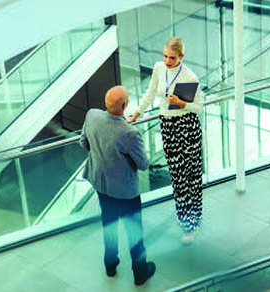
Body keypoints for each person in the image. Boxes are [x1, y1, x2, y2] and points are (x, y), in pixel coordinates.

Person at [128, 37, 203, 243]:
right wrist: (136, 113)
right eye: (165, 56)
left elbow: (198, 107)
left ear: (181, 57)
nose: (167, 61)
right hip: (168, 126)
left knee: (191, 175)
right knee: (177, 176)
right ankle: (185, 217)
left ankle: (193, 223)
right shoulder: (159, 68)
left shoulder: (189, 76)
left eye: (172, 57)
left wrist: (181, 102)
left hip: (187, 126)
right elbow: (151, 92)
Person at [80, 86, 156, 285]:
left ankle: (110, 265)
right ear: (124, 105)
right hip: (126, 192)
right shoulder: (129, 133)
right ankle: (140, 273)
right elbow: (143, 164)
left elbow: (84, 144)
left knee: (109, 224)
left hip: (102, 186)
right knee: (134, 232)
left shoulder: (92, 116)